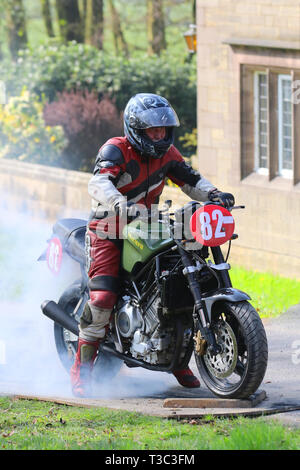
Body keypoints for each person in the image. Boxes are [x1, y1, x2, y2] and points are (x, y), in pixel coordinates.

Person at [70, 93, 235, 397]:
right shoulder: (116, 149)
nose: (159, 136)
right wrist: (119, 203)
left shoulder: (167, 154)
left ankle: (176, 357)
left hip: (147, 226)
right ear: (136, 129)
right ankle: (82, 368)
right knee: (104, 295)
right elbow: (99, 182)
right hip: (109, 227)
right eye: (152, 131)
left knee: (179, 280)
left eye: (163, 130)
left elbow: (189, 179)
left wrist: (214, 194)